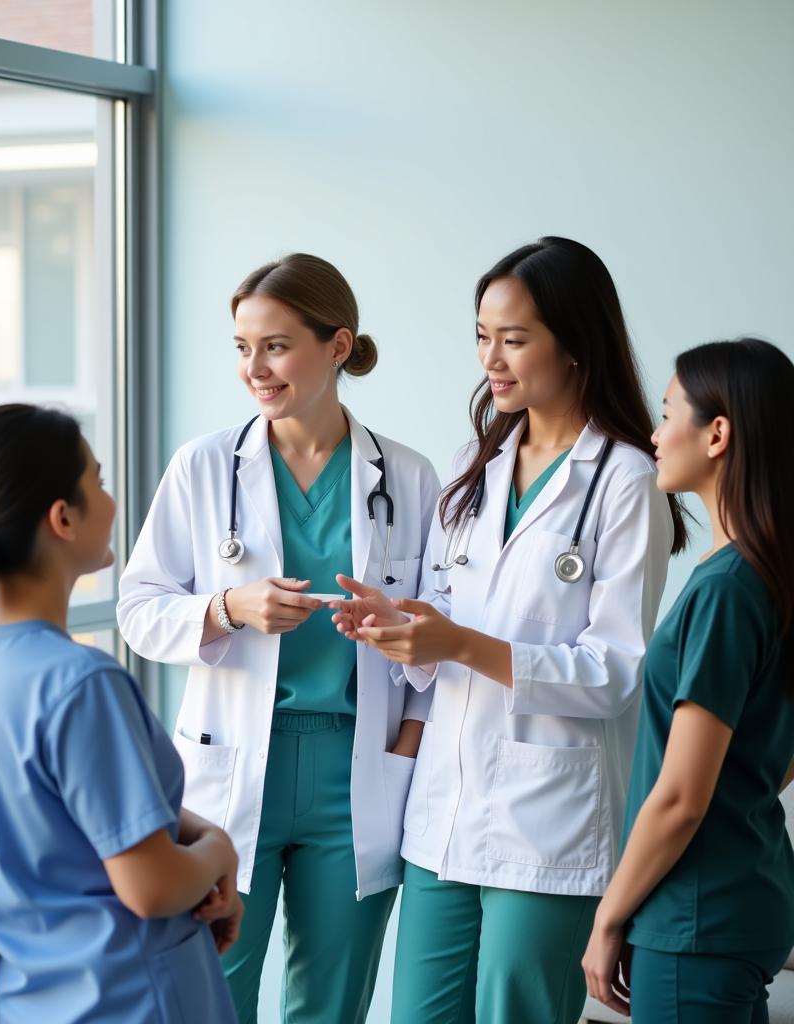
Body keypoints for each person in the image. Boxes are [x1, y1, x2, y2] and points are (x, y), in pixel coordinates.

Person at [333, 237, 686, 1024]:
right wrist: (402, 630)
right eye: (483, 336)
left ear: (575, 342)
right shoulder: (474, 464)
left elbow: (616, 672)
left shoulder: (627, 481)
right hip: (443, 816)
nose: (492, 359)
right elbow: (446, 620)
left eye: (515, 339)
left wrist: (457, 645)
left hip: (547, 826)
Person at [117, 253, 439, 1023]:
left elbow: (443, 634)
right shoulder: (202, 467)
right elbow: (138, 608)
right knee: (213, 991)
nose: (254, 368)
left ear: (337, 346)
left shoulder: (410, 476)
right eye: (241, 348)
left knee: (331, 1004)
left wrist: (409, 739)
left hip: (356, 771)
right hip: (232, 769)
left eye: (275, 345)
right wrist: (228, 607)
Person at [0, 403, 241, 1024]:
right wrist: (218, 852)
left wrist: (189, 831)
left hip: (35, 1003)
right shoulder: (81, 683)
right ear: (63, 517)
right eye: (97, 480)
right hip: (135, 1000)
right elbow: (150, 889)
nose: (112, 499)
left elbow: (65, 809)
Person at [583, 338, 794, 1024]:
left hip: (693, 918)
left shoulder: (727, 589)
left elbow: (679, 798)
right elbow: (773, 757)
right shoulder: (770, 577)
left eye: (668, 411)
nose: (654, 431)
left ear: (717, 433)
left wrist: (609, 918)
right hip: (744, 898)